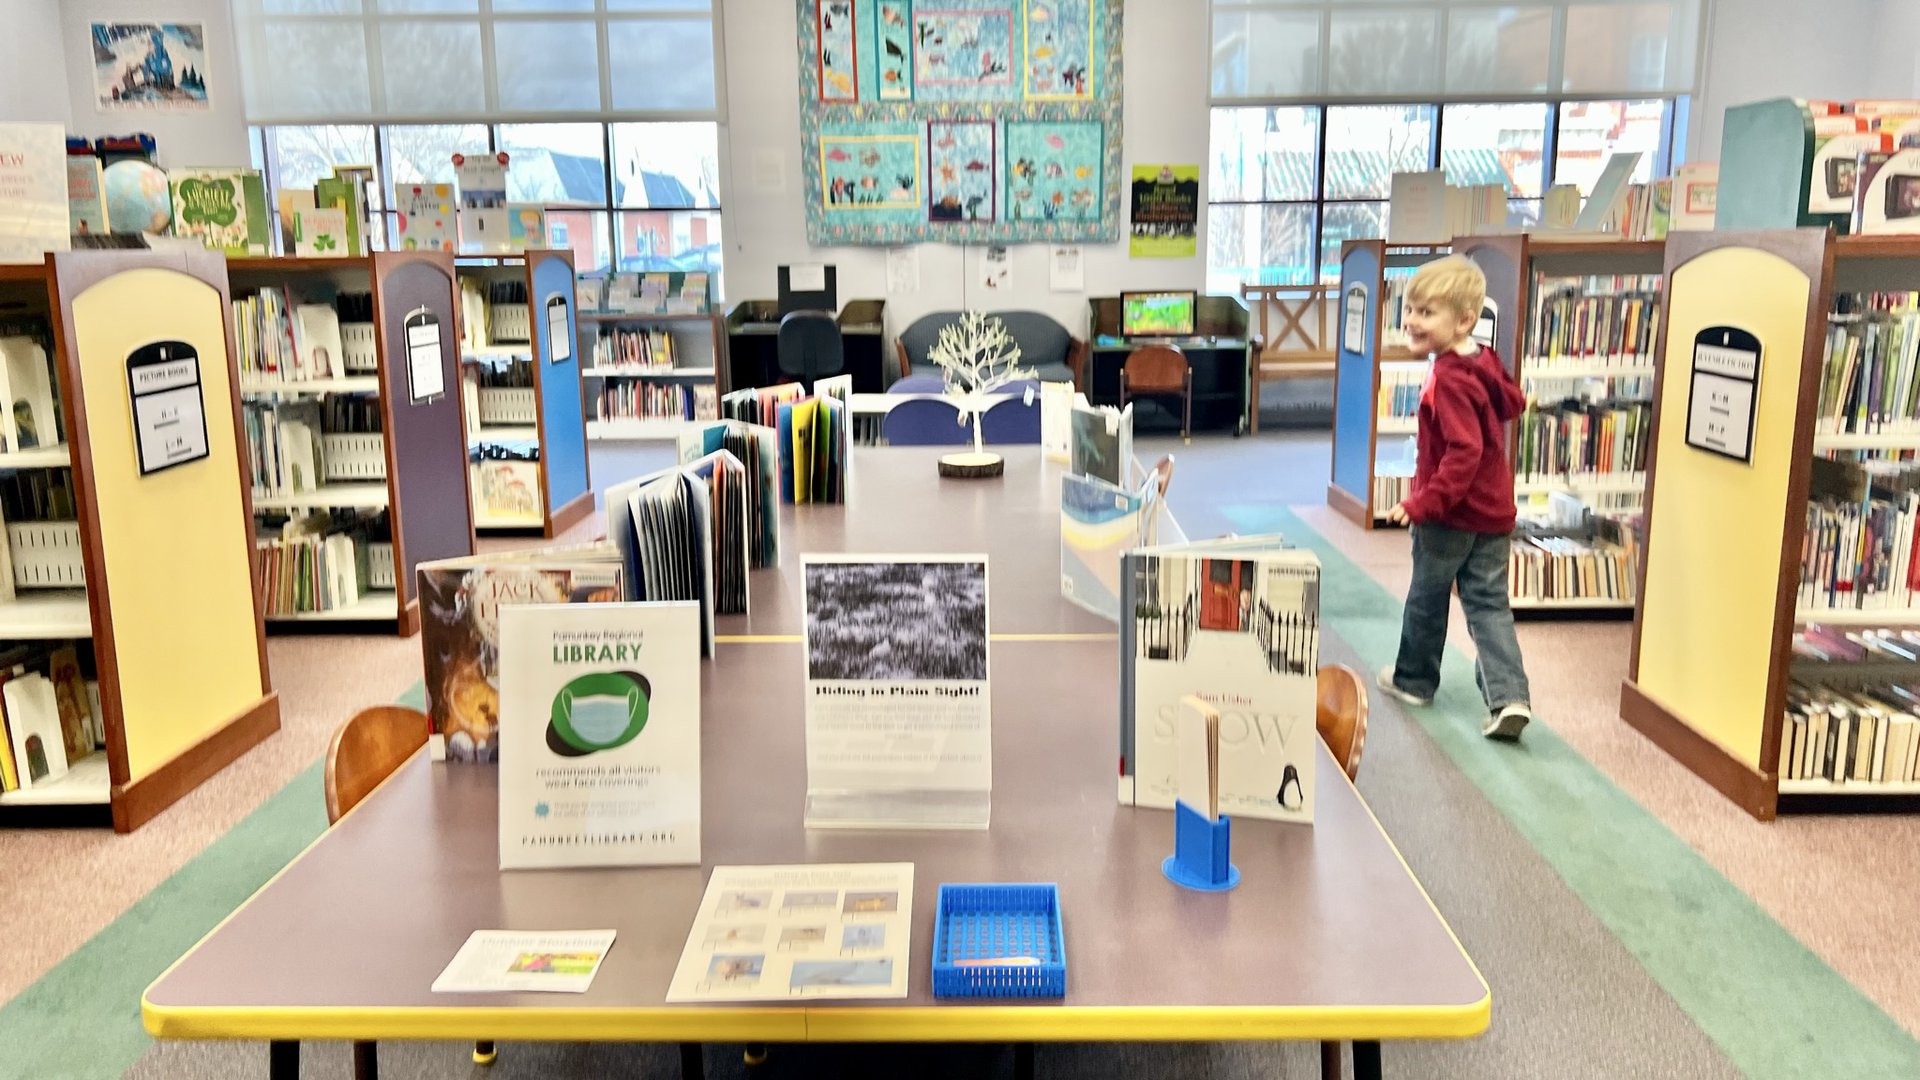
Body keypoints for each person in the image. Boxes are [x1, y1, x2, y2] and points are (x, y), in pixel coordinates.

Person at [1376, 256, 1533, 741]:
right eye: (1410, 310)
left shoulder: (1447, 377)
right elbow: (1513, 402)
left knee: (1427, 597)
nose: (1411, 321)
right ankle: (1509, 697)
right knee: (1489, 605)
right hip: (1494, 514)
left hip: (1449, 517)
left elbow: (1464, 452)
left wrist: (1422, 504)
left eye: (1426, 313)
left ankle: (1413, 681)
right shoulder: (1483, 360)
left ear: (1463, 321)